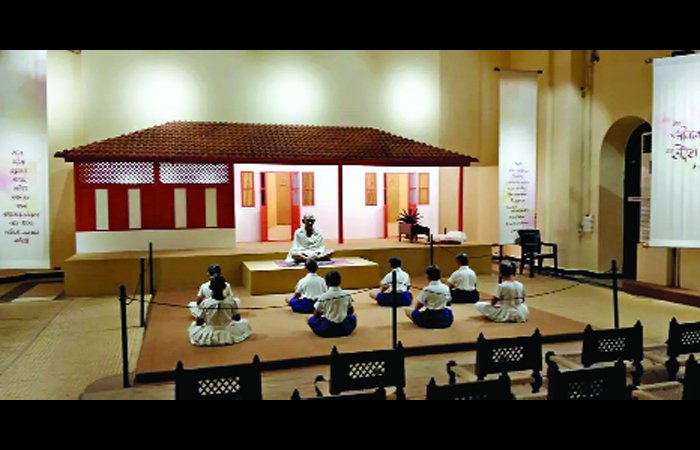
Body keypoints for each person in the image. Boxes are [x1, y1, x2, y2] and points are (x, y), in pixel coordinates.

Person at [188, 274, 252, 346]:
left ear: (210, 288)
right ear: (224, 287)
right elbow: (237, 318)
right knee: (245, 323)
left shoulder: (205, 303)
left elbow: (199, 322)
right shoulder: (231, 301)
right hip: (226, 329)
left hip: (211, 329)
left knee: (193, 326)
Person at [308, 270, 356, 338]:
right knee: (354, 316)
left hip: (327, 330)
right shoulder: (347, 294)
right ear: (340, 281)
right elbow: (351, 311)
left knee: (309, 318)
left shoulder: (323, 297)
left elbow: (316, 314)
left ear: (327, 283)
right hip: (345, 329)